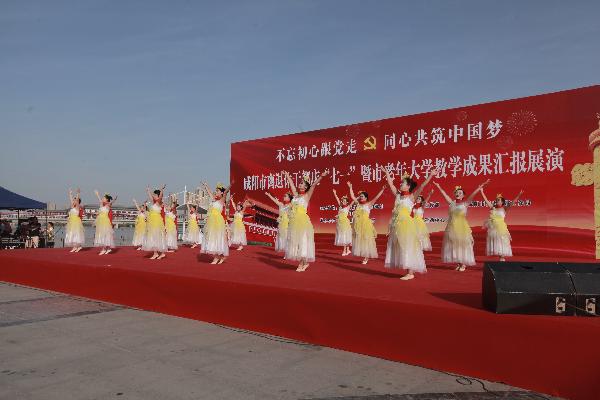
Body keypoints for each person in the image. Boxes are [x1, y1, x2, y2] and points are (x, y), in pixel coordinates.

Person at [382, 167, 438, 279]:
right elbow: (391, 184)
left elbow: (422, 186)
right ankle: (408, 271)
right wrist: (387, 173)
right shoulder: (398, 195)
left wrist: (430, 175)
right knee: (402, 247)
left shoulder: (412, 197)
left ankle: (410, 273)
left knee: (408, 247)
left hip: (407, 226)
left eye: (403, 183)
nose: (400, 184)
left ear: (408, 186)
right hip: (397, 225)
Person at [433, 180, 489, 271]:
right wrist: (439, 187)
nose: (458, 194)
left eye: (460, 193)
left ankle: (463, 264)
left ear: (463, 195)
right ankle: (459, 263)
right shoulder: (452, 203)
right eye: (456, 193)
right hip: (452, 227)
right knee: (454, 245)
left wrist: (479, 188)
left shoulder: (465, 203)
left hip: (462, 227)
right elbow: (444, 195)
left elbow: (472, 195)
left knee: (462, 245)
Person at [283, 169, 329, 272]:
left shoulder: (307, 196)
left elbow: (313, 185)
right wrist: (287, 175)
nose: (300, 185)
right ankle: (304, 262)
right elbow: (292, 185)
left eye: (302, 184)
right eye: (300, 183)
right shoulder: (295, 196)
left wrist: (321, 176)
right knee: (296, 242)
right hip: (294, 222)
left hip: (303, 222)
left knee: (302, 241)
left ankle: (302, 263)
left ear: (306, 187)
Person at [346, 181, 386, 264]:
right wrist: (350, 188)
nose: (360, 197)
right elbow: (353, 197)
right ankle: (363, 254)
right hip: (358, 225)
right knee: (359, 240)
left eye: (362, 196)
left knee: (366, 240)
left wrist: (382, 190)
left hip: (366, 225)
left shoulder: (369, 204)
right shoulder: (358, 204)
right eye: (360, 196)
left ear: (366, 198)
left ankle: (366, 257)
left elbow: (376, 198)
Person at [480, 188, 524, 261]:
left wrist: (519, 195)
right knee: (496, 242)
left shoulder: (504, 209)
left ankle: (502, 257)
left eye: (499, 200)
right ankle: (500, 256)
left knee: (502, 241)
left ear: (502, 202)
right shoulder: (492, 208)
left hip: (501, 228)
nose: (497, 201)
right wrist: (482, 192)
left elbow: (512, 203)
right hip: (493, 228)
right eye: (497, 200)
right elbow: (486, 200)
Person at [201, 182, 231, 264]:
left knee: (217, 238)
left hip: (218, 222)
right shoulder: (214, 200)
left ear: (221, 192)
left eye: (218, 191)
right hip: (211, 221)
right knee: (212, 238)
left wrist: (230, 186)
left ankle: (217, 257)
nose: (216, 192)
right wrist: (206, 186)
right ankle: (220, 256)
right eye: (216, 190)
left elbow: (225, 192)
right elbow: (210, 193)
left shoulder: (222, 200)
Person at [143, 185, 168, 260]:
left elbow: (160, 197)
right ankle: (156, 253)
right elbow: (151, 197)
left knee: (157, 236)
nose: (153, 196)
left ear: (157, 195)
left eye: (154, 195)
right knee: (154, 237)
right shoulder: (154, 202)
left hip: (157, 221)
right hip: (152, 221)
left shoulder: (159, 202)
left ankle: (159, 253)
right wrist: (148, 190)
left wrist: (161, 190)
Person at [265, 191, 292, 256]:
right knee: (281, 237)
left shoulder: (291, 205)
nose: (284, 197)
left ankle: (287, 253)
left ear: (289, 198)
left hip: (287, 223)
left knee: (286, 238)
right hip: (281, 223)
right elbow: (274, 200)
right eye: (284, 196)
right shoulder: (281, 205)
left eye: (285, 196)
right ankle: (285, 251)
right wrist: (269, 195)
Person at [93, 190, 117, 255]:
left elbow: (111, 202)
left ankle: (104, 249)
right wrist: (97, 194)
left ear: (107, 200)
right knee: (102, 235)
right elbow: (100, 201)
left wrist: (113, 199)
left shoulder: (108, 205)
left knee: (106, 234)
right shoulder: (101, 206)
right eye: (103, 198)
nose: (102, 199)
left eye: (104, 198)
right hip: (100, 222)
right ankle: (107, 248)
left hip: (105, 222)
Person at [332, 188, 354, 256]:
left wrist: (350, 188)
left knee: (345, 236)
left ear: (347, 202)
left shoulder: (347, 207)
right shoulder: (340, 207)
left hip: (345, 223)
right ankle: (348, 250)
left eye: (344, 201)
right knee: (345, 237)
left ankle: (345, 251)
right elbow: (337, 199)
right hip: (340, 224)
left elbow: (353, 200)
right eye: (342, 201)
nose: (343, 202)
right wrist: (335, 193)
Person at [65, 188, 85, 252]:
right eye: (73, 201)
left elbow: (77, 199)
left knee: (76, 234)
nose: (73, 201)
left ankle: (77, 246)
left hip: (76, 222)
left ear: (77, 202)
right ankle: (75, 246)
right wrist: (70, 194)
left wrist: (78, 194)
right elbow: (71, 200)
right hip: (71, 222)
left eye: (75, 201)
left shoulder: (77, 207)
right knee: (72, 234)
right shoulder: (72, 207)